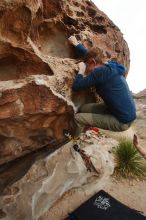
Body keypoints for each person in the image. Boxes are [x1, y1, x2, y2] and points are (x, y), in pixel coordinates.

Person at [68, 36, 136, 136]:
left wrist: (81, 71)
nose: (87, 69)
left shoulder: (99, 72)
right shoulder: (110, 65)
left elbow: (76, 86)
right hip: (119, 111)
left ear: (93, 63)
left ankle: (74, 141)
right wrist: (76, 44)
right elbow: (92, 56)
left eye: (87, 65)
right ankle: (85, 126)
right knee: (83, 108)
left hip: (121, 121)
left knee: (78, 118)